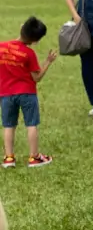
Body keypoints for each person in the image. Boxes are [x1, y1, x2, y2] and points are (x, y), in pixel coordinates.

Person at [0, 17, 57, 168]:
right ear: (35, 41)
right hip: (27, 94)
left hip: (6, 94)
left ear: (21, 28)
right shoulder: (29, 54)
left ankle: (8, 158)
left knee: (8, 126)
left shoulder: (2, 47)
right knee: (31, 124)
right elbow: (36, 77)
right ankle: (34, 158)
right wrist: (48, 62)